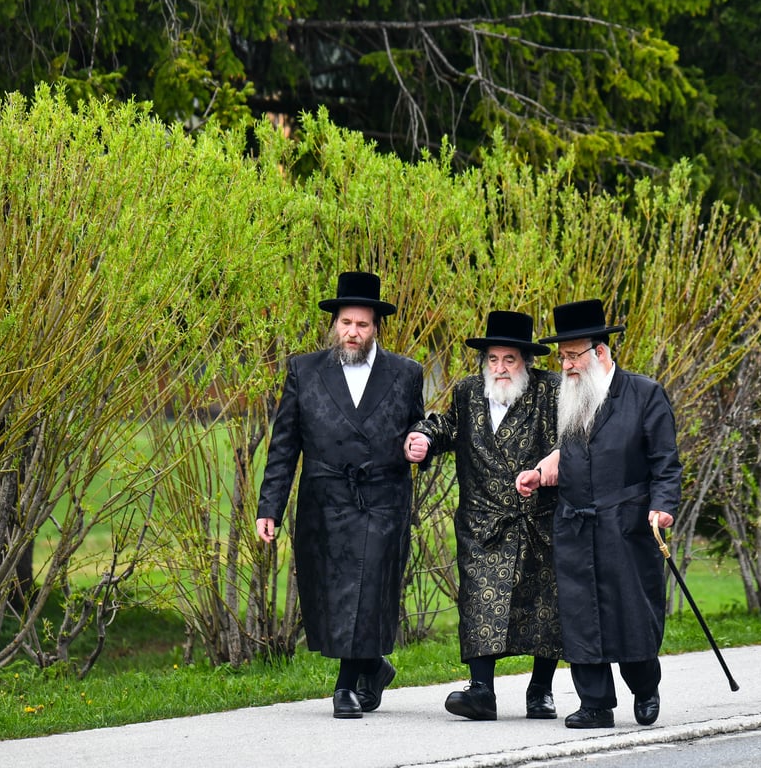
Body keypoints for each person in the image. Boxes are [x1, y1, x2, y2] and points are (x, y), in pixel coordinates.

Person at [256, 271, 425, 720]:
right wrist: (269, 506)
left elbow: (418, 431)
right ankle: (374, 664)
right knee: (329, 597)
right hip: (323, 501)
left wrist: (419, 446)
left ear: (376, 329)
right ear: (335, 324)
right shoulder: (304, 370)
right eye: (346, 323)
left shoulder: (406, 373)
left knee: (366, 591)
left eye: (362, 325)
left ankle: (346, 686)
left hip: (380, 498)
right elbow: (284, 444)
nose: (353, 332)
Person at [516, 298, 682, 729]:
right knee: (580, 615)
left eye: (574, 355)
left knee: (631, 612)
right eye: (563, 356)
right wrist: (540, 472)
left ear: (601, 352)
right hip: (575, 522)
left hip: (626, 524)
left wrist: (662, 506)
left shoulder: (644, 394)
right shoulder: (568, 396)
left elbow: (666, 462)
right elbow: (567, 453)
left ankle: (645, 688)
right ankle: (595, 704)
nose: (567, 365)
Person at [405, 310, 563, 721]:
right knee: (479, 601)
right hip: (482, 520)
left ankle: (541, 690)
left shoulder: (551, 391)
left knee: (545, 603)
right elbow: (447, 426)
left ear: (526, 361)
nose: (500, 368)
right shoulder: (468, 392)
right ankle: (481, 691)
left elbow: (576, 440)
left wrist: (554, 466)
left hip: (538, 517)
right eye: (493, 359)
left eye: (509, 359)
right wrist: (423, 436)